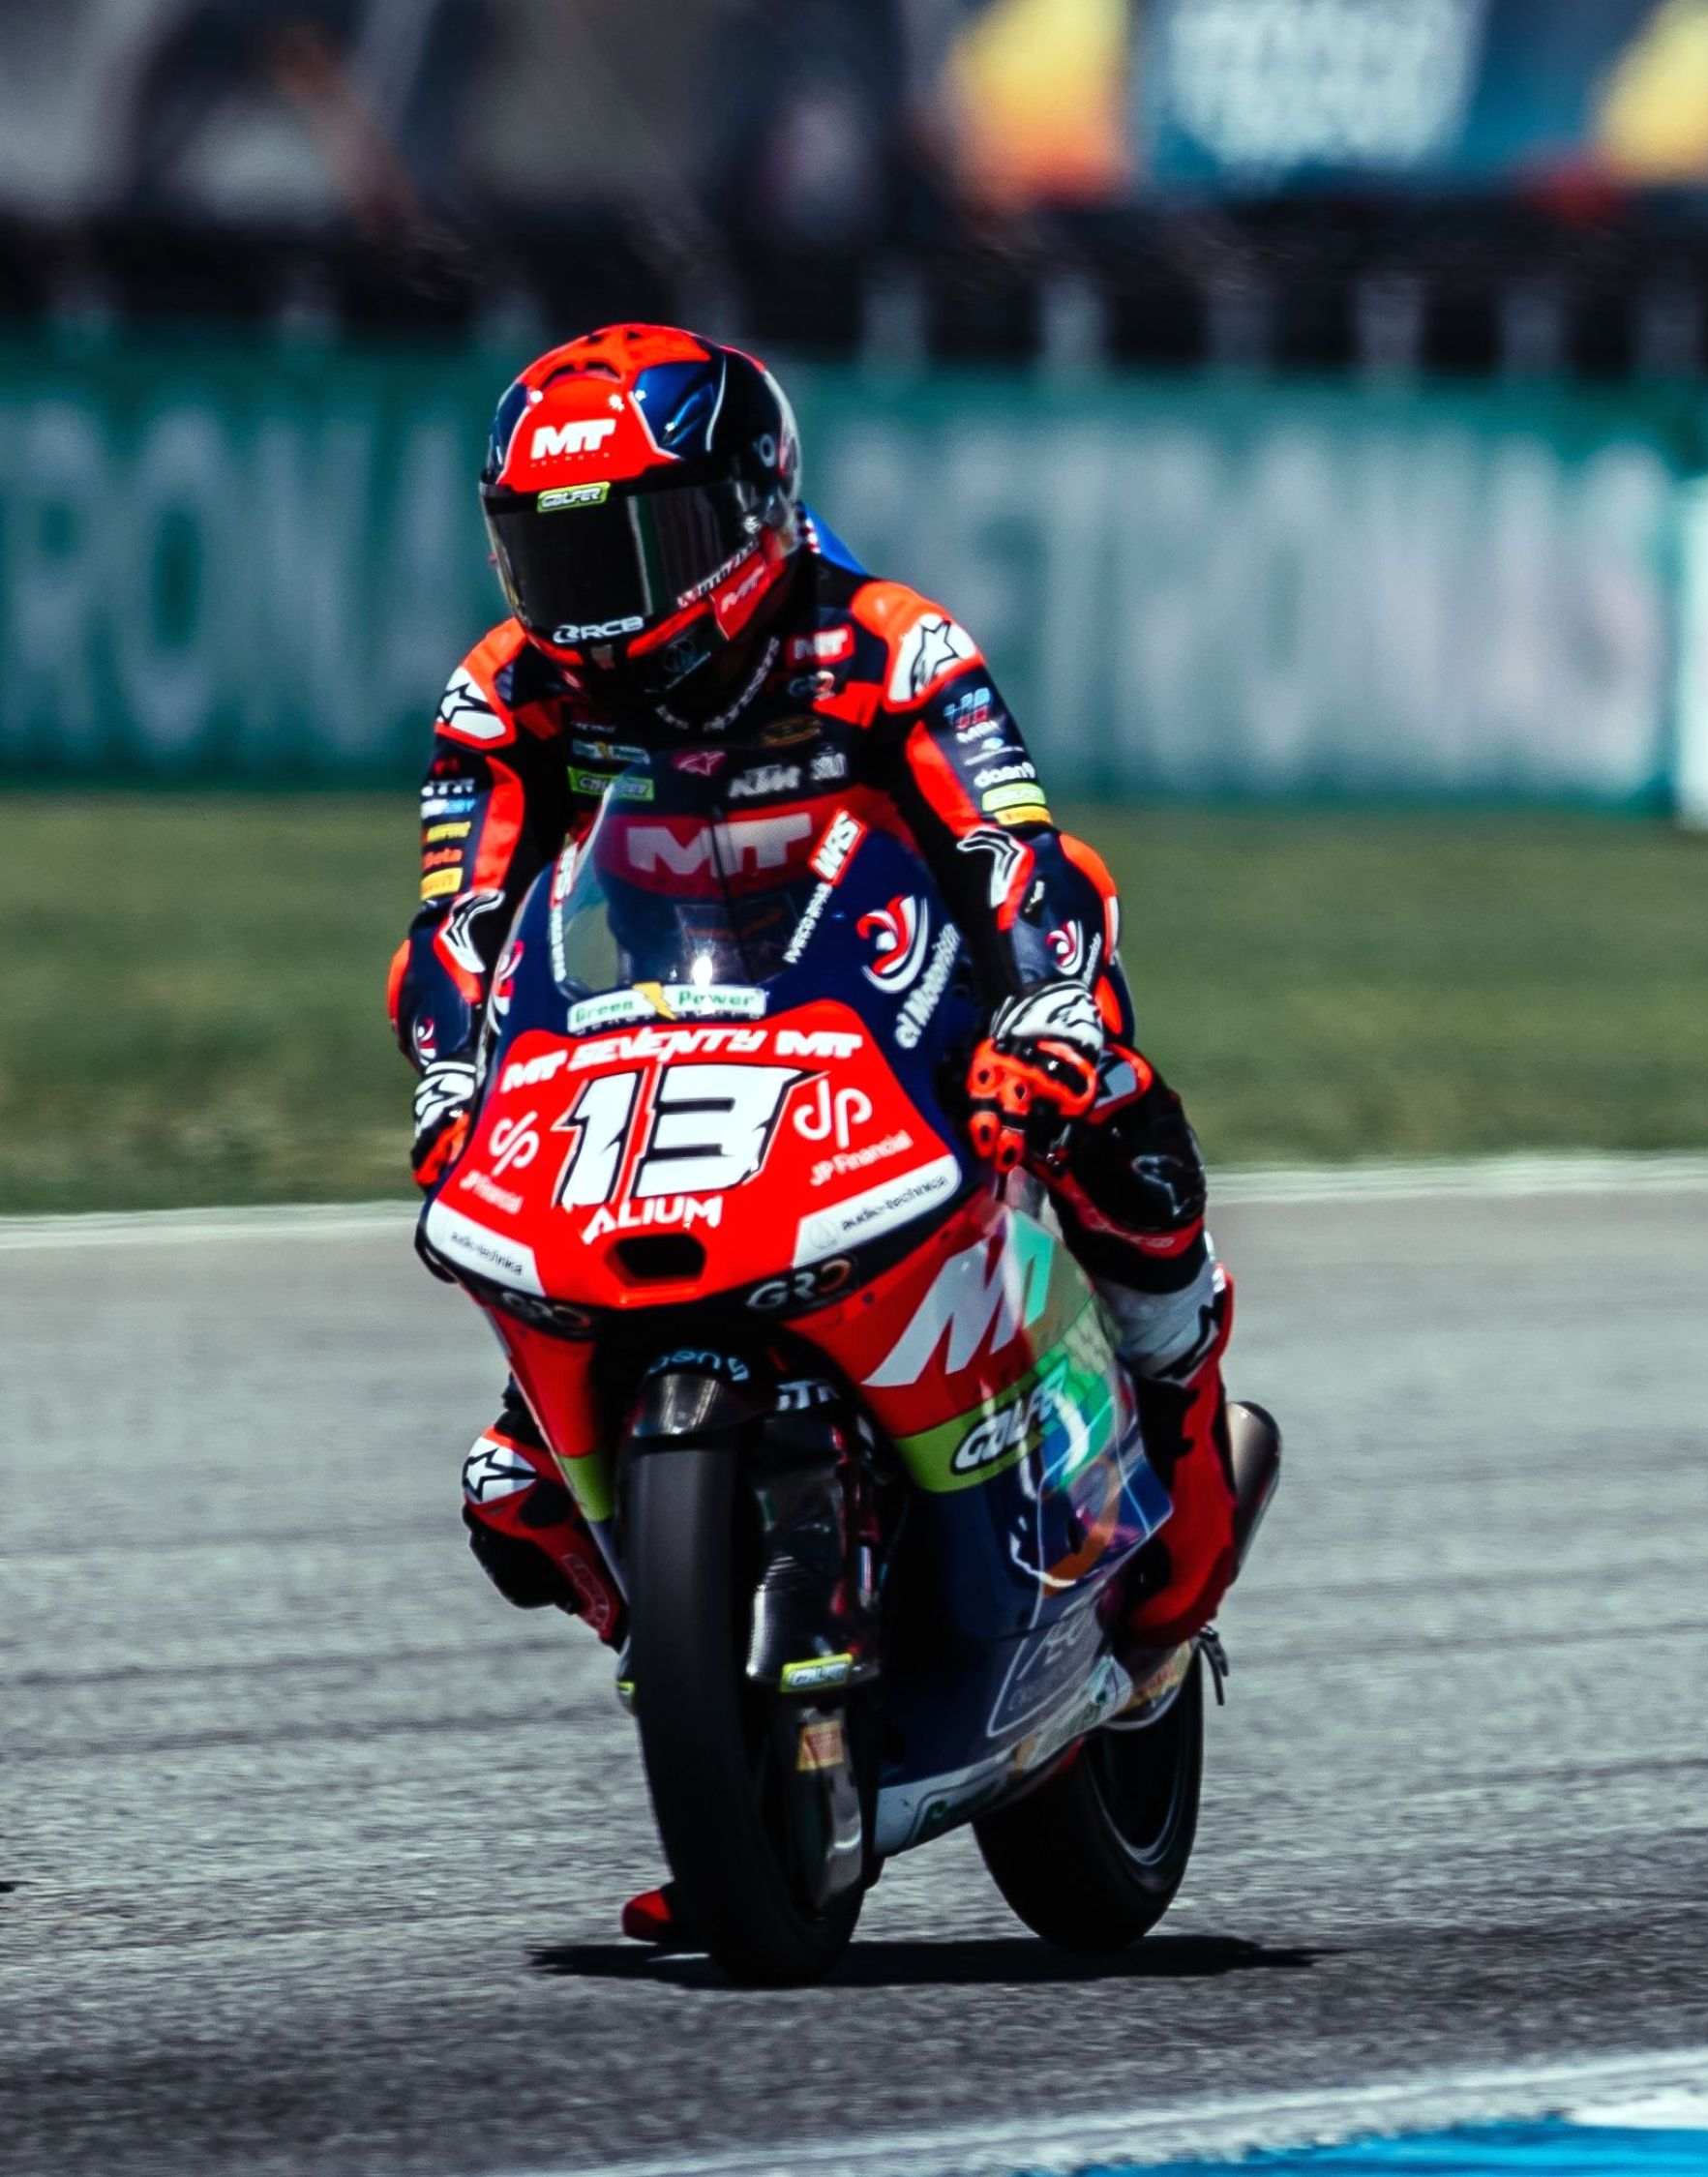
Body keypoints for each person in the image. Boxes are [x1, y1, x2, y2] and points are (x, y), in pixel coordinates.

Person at [388, 324, 1247, 1941]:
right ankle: (713, 1721)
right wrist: (450, 1082)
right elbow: (462, 921)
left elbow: (1013, 853)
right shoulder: (507, 691)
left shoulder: (890, 647)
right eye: (555, 555)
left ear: (750, 509)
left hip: (902, 990)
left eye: (638, 544)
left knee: (1117, 1125)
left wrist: (1050, 1011)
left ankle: (1180, 1461)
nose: (596, 603)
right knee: (511, 1490)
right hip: (657, 1029)